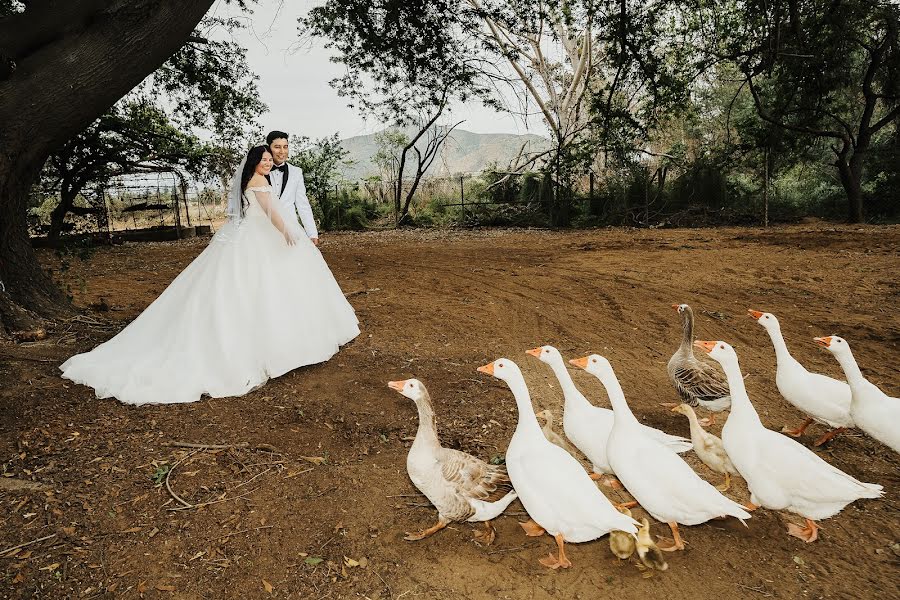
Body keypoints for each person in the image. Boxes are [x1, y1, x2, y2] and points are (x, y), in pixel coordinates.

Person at [60, 144, 360, 406]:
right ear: (255, 162)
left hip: (248, 236)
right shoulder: (259, 182)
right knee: (267, 289)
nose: (269, 162)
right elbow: (271, 212)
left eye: (271, 159)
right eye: (265, 159)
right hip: (261, 237)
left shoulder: (251, 180)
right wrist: (286, 232)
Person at [265, 130, 319, 246]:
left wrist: (312, 233)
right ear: (269, 148)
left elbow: (302, 204)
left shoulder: (296, 172)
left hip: (290, 227)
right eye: (277, 147)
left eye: (285, 147)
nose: (282, 151)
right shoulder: (260, 172)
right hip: (264, 227)